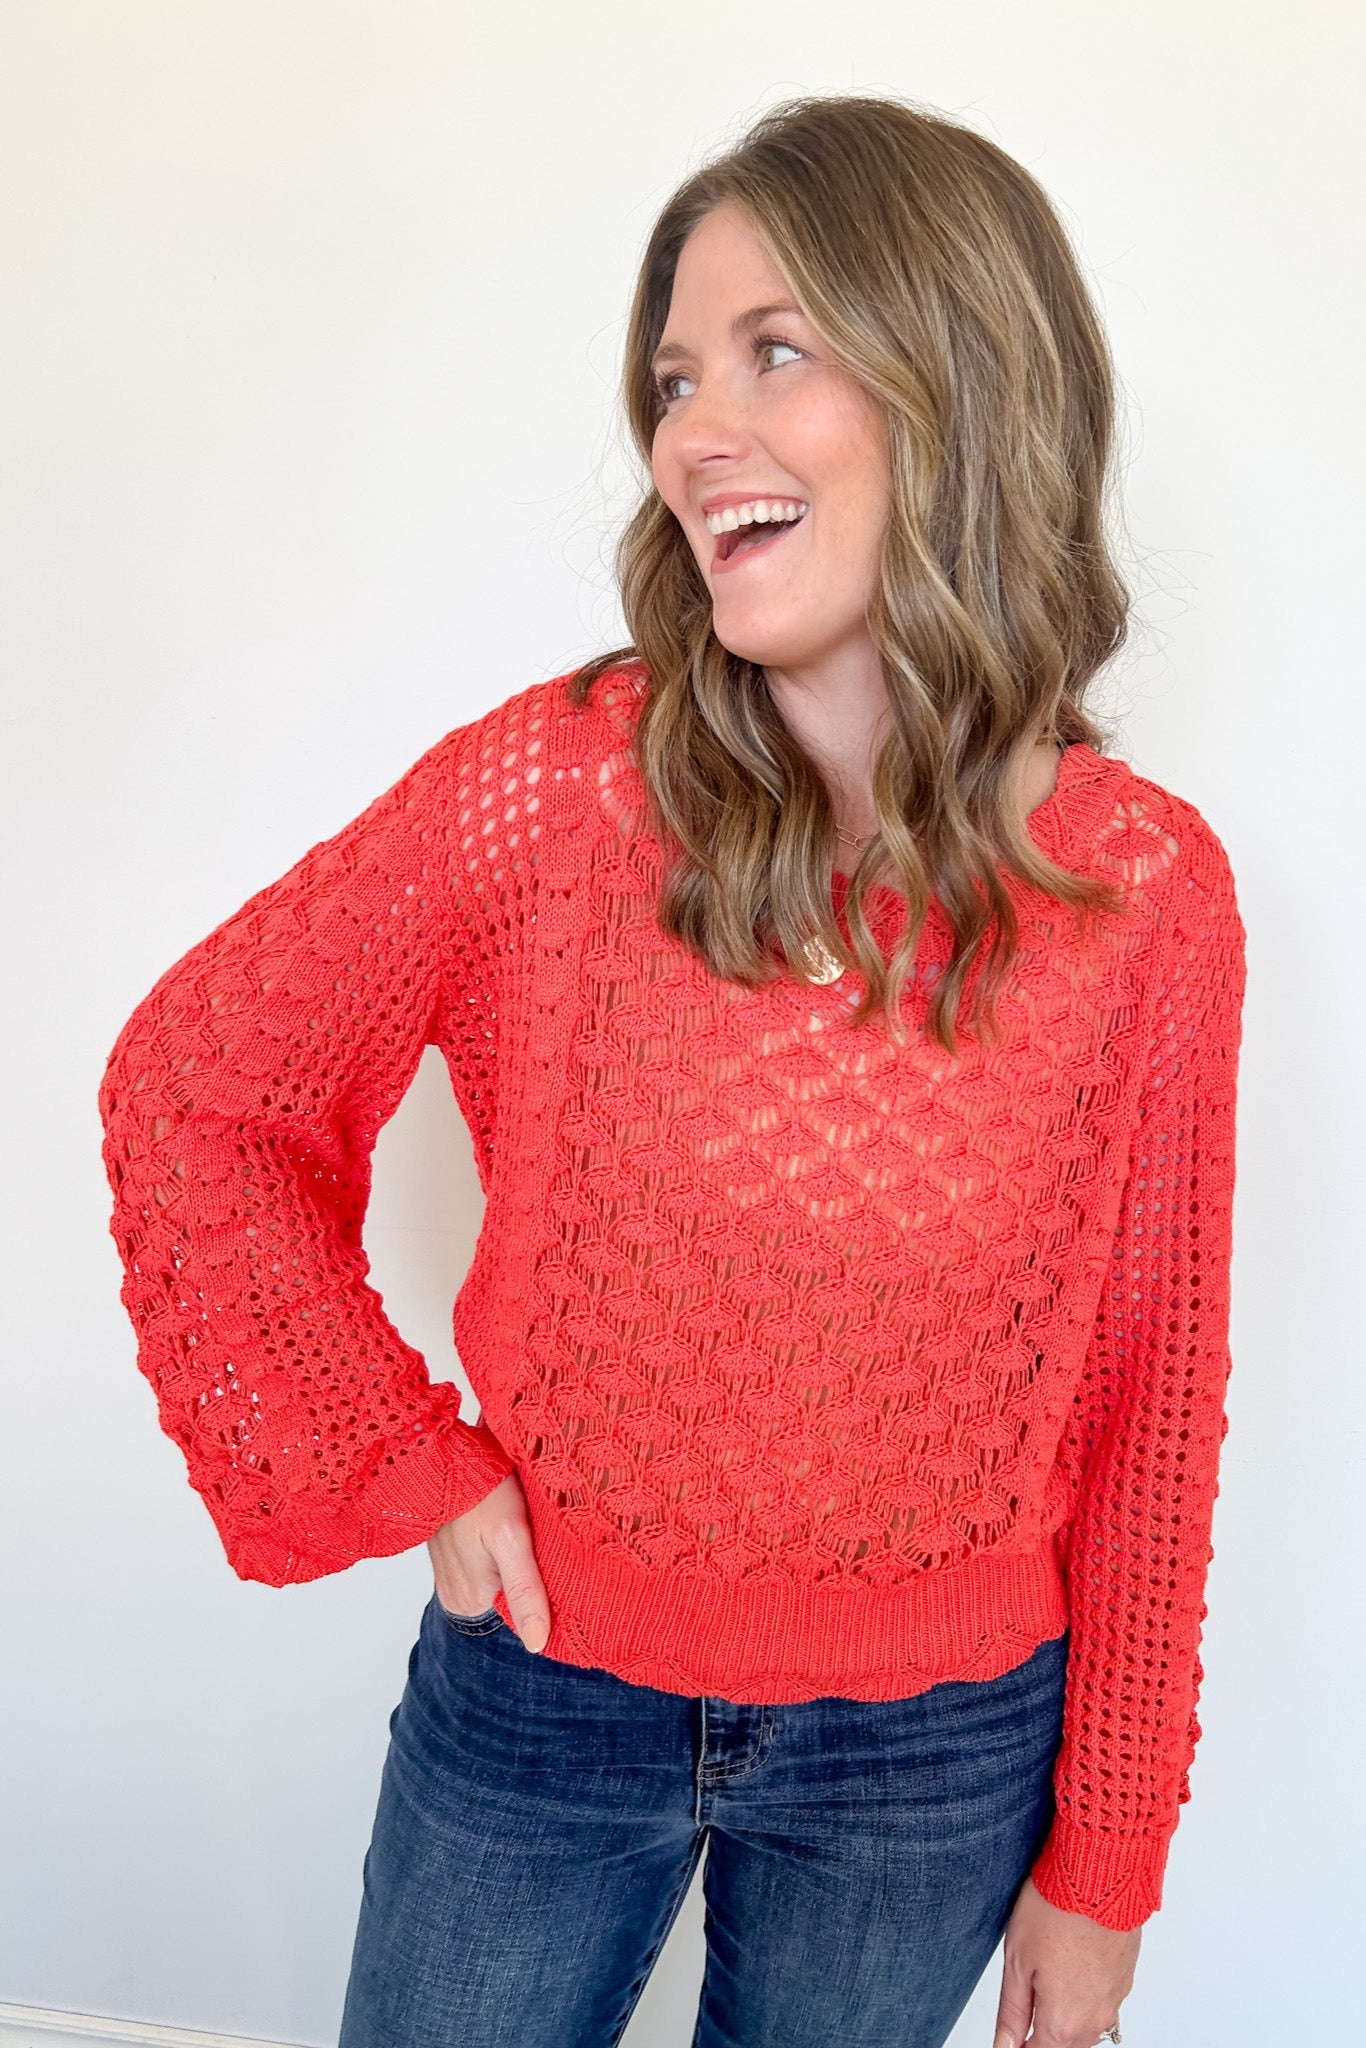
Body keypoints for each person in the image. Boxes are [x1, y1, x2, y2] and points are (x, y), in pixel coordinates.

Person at [97, 92, 1246, 2048]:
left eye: (773, 352)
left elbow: (1148, 1402)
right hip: (543, 1685)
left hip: (932, 1763)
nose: (693, 427)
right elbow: (200, 1088)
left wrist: (1104, 1864)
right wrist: (396, 1455)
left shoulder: (1141, 892)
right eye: (673, 374)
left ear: (956, 374)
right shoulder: (549, 793)